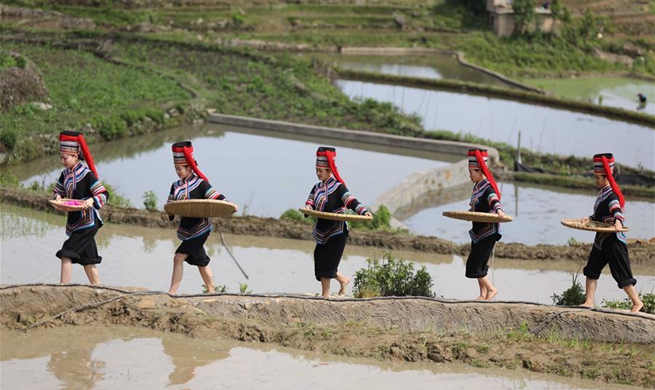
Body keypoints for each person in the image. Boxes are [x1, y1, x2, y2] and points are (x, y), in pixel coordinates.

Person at [166, 141, 235, 294]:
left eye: (180, 169)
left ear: (189, 167)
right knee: (201, 261)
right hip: (186, 228)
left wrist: (228, 204)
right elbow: (170, 204)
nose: (178, 171)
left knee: (178, 258)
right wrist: (170, 212)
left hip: (200, 229)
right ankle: (212, 290)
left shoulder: (201, 184)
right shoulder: (175, 185)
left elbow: (215, 196)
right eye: (176, 169)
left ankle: (171, 293)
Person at [304, 146, 372, 298]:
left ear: (329, 171)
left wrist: (363, 211)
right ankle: (343, 280)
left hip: (337, 231)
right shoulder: (317, 187)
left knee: (328, 263)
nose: (318, 173)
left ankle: (325, 295)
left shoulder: (339, 187)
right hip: (321, 230)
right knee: (319, 260)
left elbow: (351, 200)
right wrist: (308, 206)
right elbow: (310, 201)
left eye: (320, 171)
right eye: (317, 170)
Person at [580, 153, 643, 313]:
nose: (596, 181)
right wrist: (589, 218)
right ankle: (588, 301)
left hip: (613, 240)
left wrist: (618, 221)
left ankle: (637, 302)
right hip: (601, 239)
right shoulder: (603, 193)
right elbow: (599, 216)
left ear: (606, 177)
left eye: (598, 178)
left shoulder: (611, 195)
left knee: (621, 273)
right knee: (592, 269)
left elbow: (617, 210)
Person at [53, 131, 109, 285]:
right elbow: (57, 191)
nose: (63, 161)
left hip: (88, 222)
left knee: (66, 254)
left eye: (65, 158)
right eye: (61, 158)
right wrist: (57, 197)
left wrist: (92, 200)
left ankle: (62, 288)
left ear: (75, 156)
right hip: (75, 221)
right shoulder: (65, 174)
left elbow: (103, 194)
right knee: (88, 260)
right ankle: (99, 289)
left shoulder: (86, 174)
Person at [465, 148, 505, 301]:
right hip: (478, 231)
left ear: (480, 171)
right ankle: (483, 294)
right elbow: (477, 206)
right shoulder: (477, 187)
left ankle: (491, 289)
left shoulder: (487, 187)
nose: (470, 176)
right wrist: (470, 212)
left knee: (474, 265)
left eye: (472, 172)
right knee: (480, 264)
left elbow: (494, 201)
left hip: (488, 232)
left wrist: (499, 211)